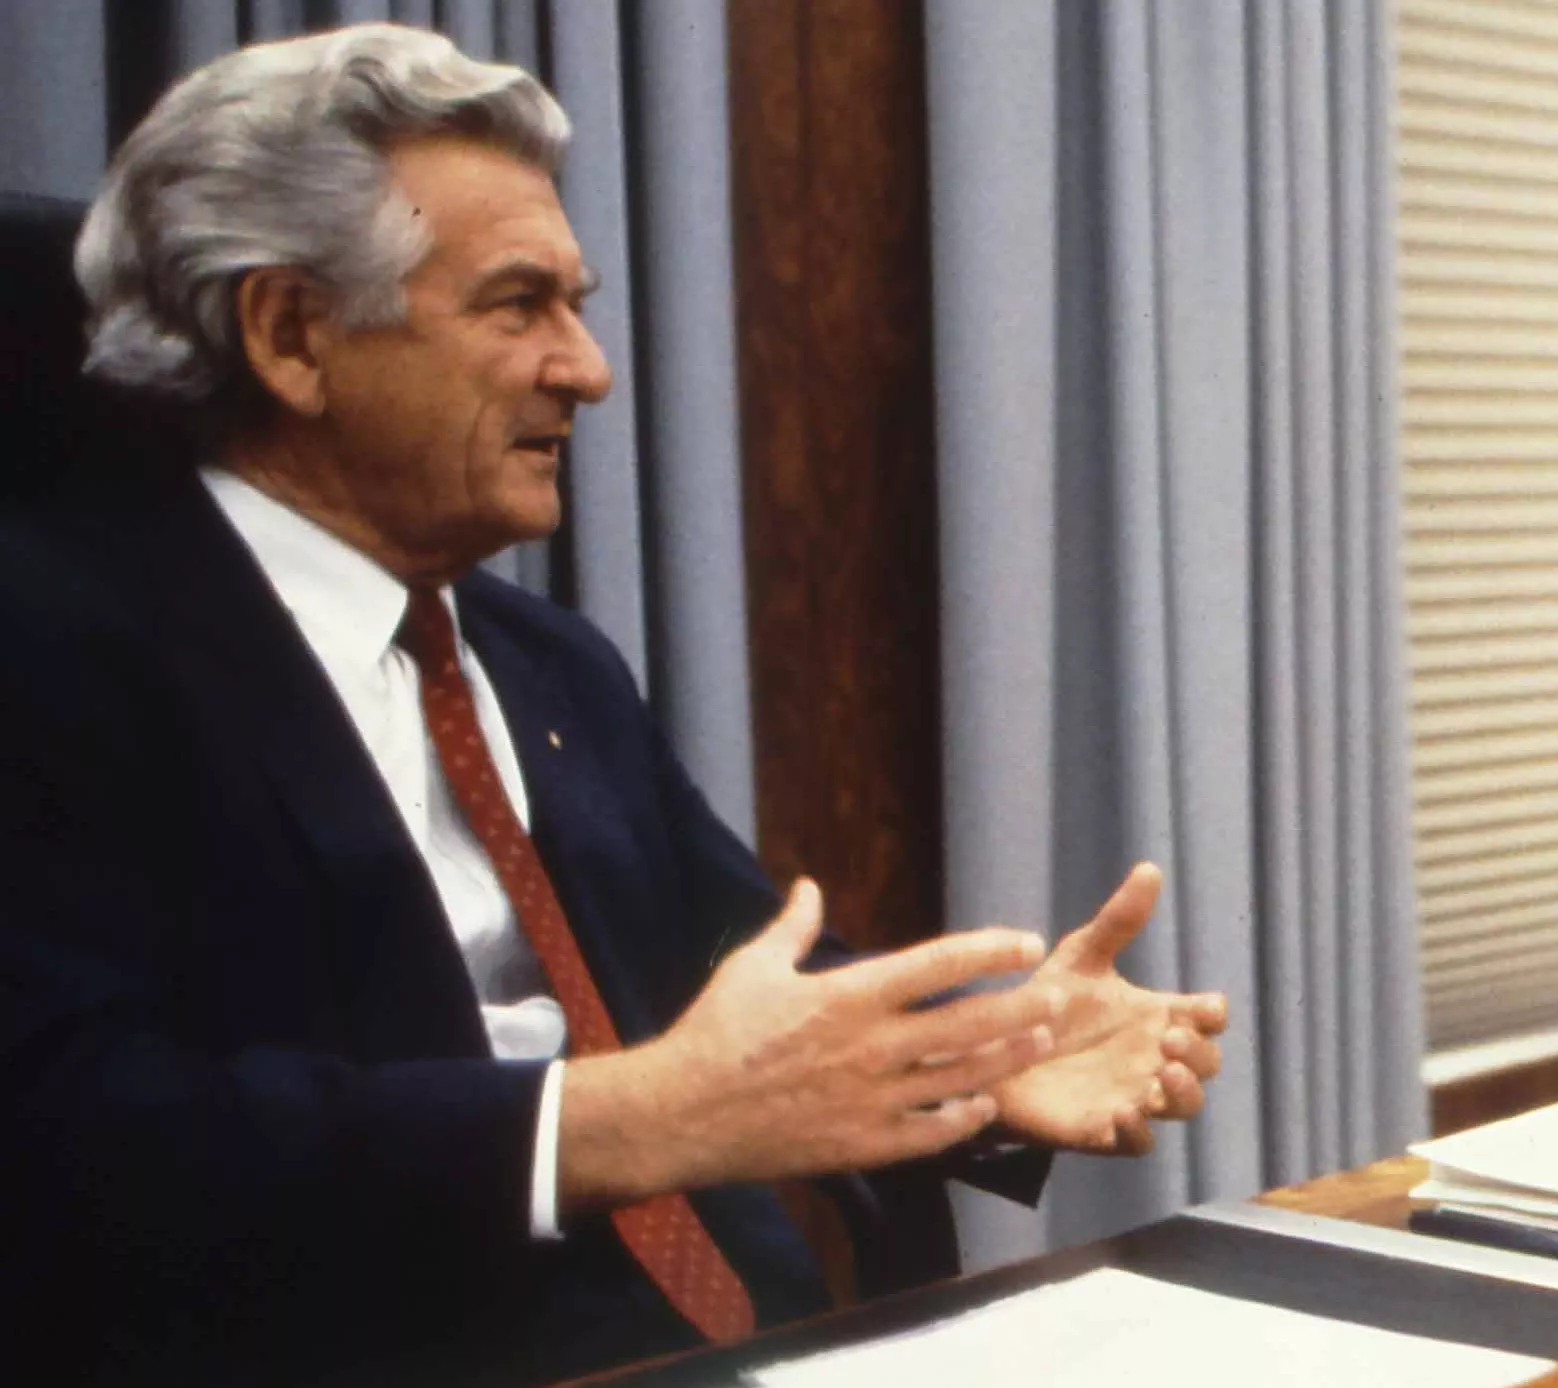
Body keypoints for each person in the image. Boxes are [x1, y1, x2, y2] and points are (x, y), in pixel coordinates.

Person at [0, 25, 1231, 1383]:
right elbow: (78, 1140)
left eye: (575, 307)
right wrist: (623, 1124)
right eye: (517, 306)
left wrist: (993, 1058)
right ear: (294, 334)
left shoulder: (546, 660)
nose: (586, 370)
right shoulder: (54, 646)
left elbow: (754, 978)